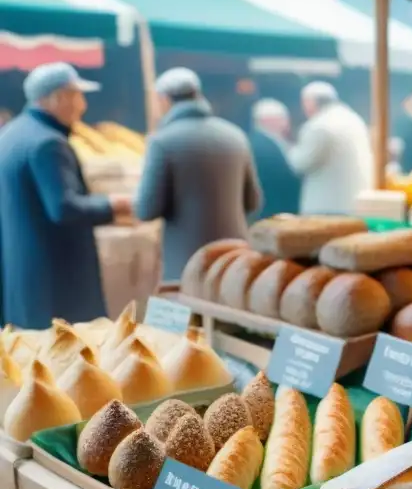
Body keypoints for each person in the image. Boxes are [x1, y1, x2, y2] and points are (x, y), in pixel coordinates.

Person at [0, 63, 133, 328]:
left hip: (21, 280)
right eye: (77, 96)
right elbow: (64, 208)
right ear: (57, 98)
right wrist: (113, 205)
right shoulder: (49, 143)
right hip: (55, 285)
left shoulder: (11, 135)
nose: (82, 106)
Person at [135, 68, 262, 281]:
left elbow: (146, 210)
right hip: (234, 262)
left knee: (181, 312)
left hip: (184, 264)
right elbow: (253, 202)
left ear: (164, 100)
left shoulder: (162, 142)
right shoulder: (235, 136)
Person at [288, 81, 373, 214]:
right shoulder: (353, 119)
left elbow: (300, 163)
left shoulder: (318, 125)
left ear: (310, 103)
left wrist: (290, 148)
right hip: (355, 204)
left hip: (325, 206)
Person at [249, 98, 301, 221]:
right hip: (271, 210)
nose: (287, 122)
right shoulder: (259, 144)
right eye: (283, 117)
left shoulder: (269, 141)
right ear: (268, 120)